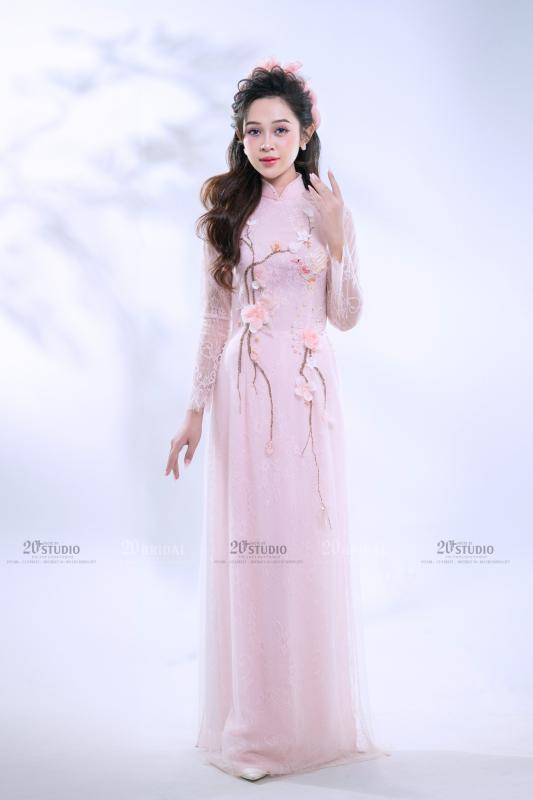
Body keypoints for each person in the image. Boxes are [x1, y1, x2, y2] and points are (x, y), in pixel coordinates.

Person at [165, 58, 390, 781]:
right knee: (254, 551)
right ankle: (255, 732)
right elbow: (214, 318)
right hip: (245, 394)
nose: (266, 143)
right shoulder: (230, 211)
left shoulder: (327, 207)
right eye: (253, 130)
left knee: (307, 542)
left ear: (306, 133)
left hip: (309, 392)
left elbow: (345, 316)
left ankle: (310, 722)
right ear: (240, 138)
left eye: (280, 129)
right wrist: (194, 410)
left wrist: (337, 238)